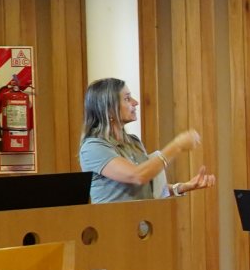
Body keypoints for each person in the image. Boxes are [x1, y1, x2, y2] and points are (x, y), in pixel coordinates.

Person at [78, 77, 215, 203]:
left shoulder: (133, 141)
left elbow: (151, 188)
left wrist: (183, 187)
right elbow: (137, 176)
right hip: (114, 225)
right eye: (127, 99)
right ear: (108, 109)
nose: (135, 103)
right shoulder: (93, 147)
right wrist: (177, 145)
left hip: (143, 224)